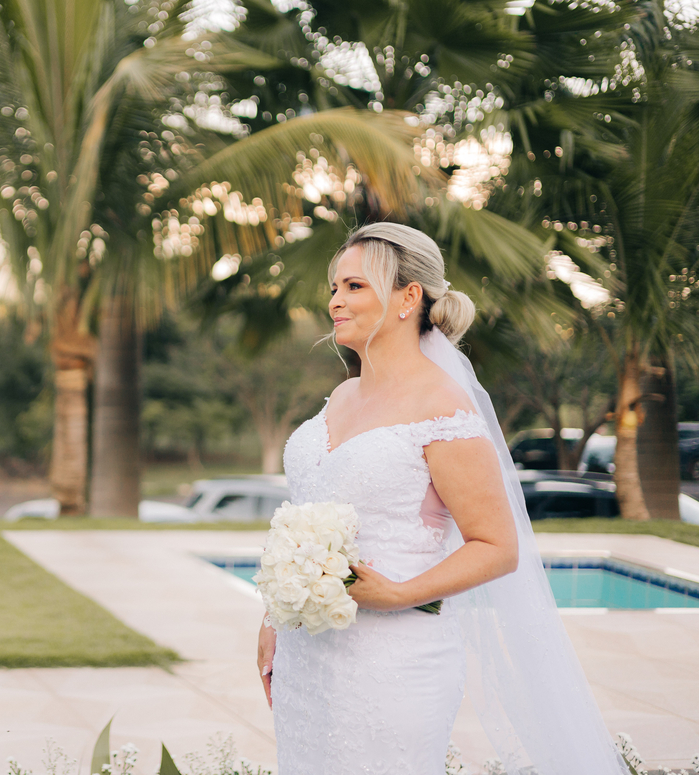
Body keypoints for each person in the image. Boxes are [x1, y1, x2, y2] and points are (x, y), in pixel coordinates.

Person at [257, 223, 627, 773]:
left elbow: (497, 546)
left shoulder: (442, 406)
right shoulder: (341, 394)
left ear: (409, 297)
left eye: (354, 286)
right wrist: (274, 616)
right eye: (334, 287)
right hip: (307, 655)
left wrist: (399, 593)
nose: (335, 301)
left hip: (391, 662)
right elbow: (308, 517)